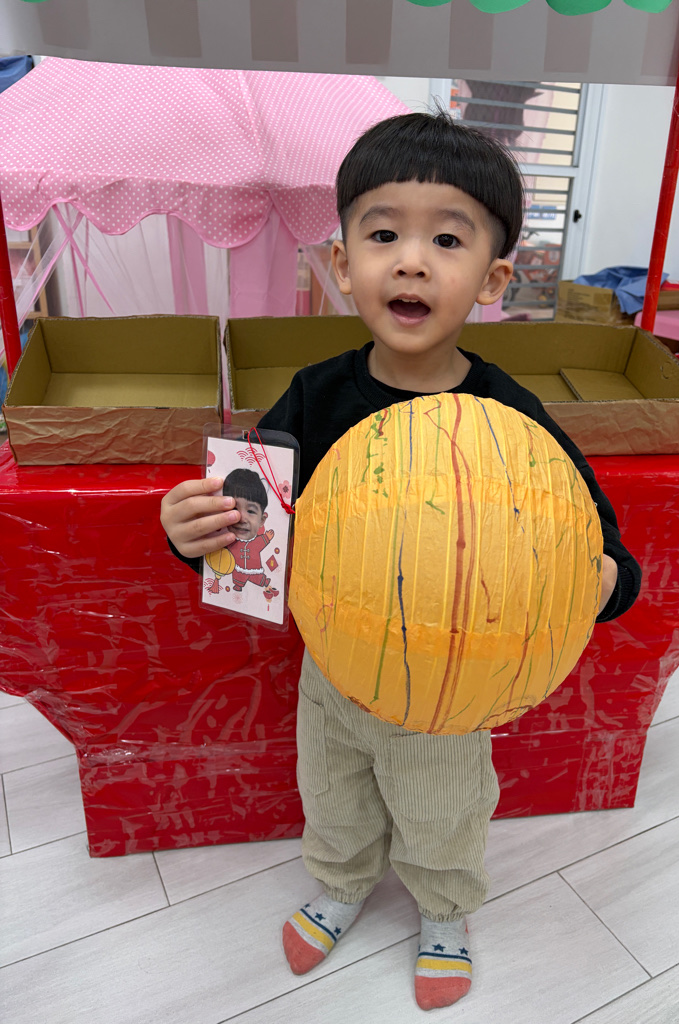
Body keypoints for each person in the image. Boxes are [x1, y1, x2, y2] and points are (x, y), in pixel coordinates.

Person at [160, 111, 642, 1011]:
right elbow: (249, 533)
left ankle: (445, 911)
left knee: (443, 810)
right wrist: (195, 534)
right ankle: (341, 883)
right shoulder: (314, 397)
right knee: (332, 789)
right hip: (334, 671)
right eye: (384, 235)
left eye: (447, 240)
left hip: (454, 689)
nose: (411, 261)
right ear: (344, 264)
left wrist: (605, 578)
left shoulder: (514, 415)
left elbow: (601, 542)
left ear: (493, 279)